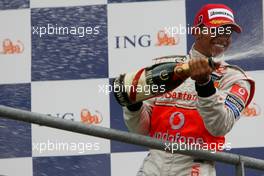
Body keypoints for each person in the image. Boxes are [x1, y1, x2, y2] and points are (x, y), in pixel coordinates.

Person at [114, 4, 255, 176]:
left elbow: (219, 126)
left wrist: (205, 86)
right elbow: (140, 130)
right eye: (216, 30)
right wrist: (133, 104)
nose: (223, 37)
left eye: (227, 32)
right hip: (153, 166)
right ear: (197, 31)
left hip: (195, 168)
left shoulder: (235, 78)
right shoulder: (165, 68)